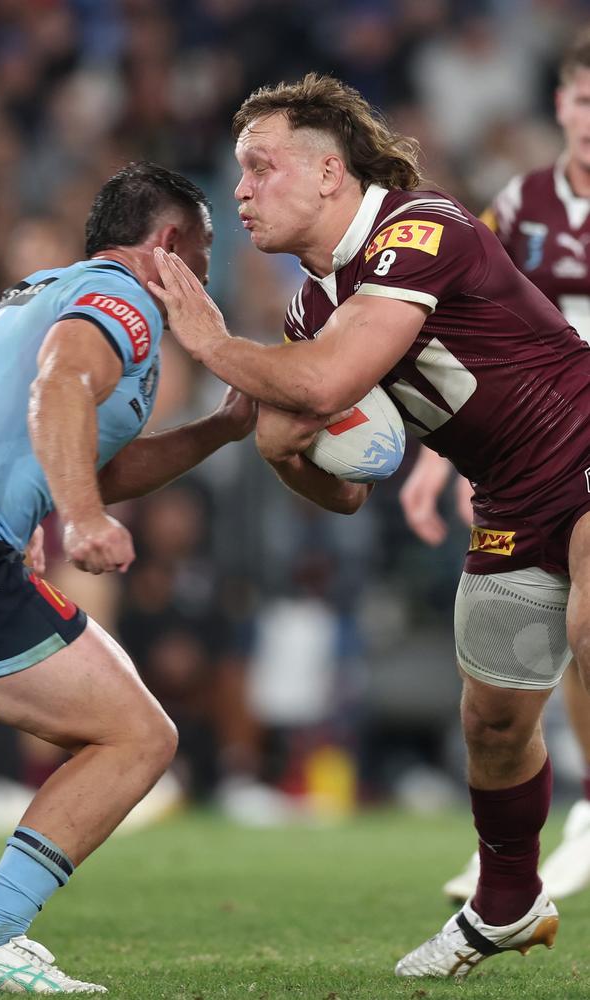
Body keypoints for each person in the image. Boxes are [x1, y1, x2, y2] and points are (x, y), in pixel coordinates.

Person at [150, 71, 590, 979]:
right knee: (496, 727)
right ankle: (507, 904)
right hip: (509, 500)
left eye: (259, 167)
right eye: (238, 171)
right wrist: (287, 458)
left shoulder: (421, 226)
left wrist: (210, 340)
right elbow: (347, 491)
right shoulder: (312, 308)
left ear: (328, 173)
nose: (240, 191)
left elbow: (320, 384)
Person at [0, 161, 256, 994]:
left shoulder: (45, 289)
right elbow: (61, 385)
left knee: (131, 731)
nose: (209, 275)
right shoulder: (127, 301)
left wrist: (217, 432)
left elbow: (89, 454)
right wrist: (75, 518)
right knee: (137, 737)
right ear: (170, 244)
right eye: (208, 250)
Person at [400, 30, 590, 904]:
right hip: (534, 447)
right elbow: (473, 328)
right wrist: (442, 460)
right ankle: (535, 837)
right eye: (584, 101)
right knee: (533, 646)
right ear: (561, 103)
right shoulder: (519, 205)